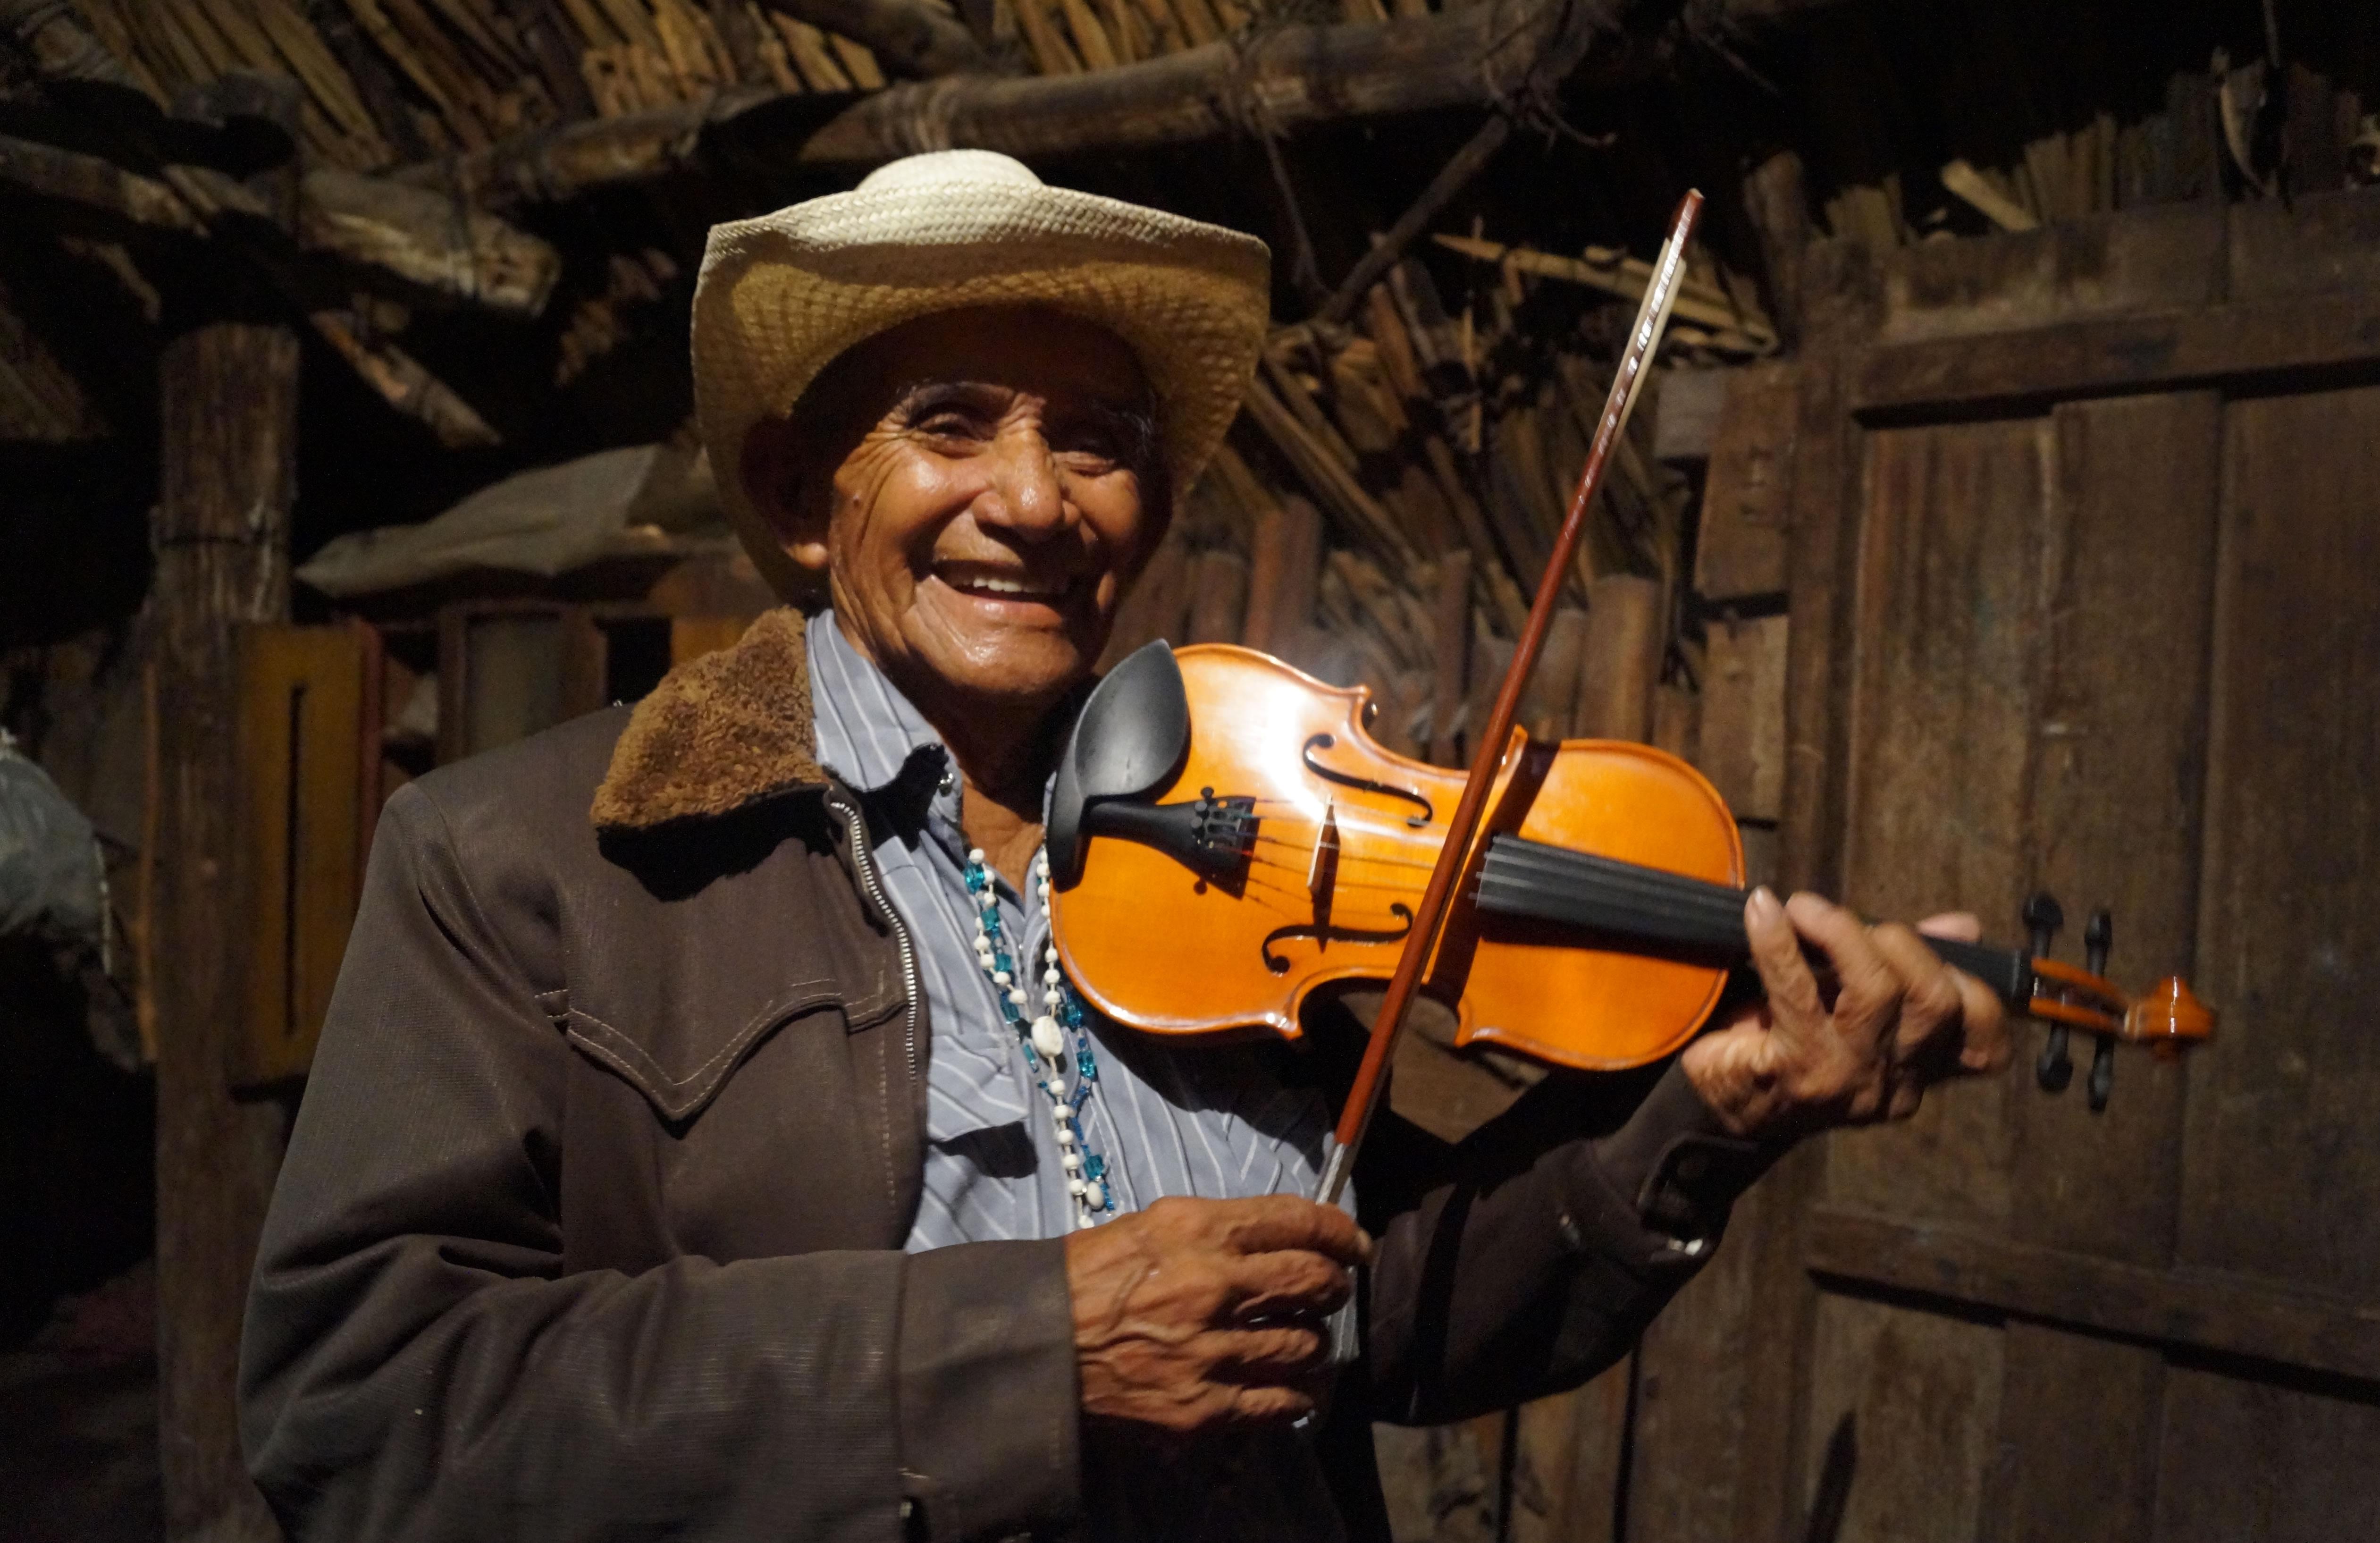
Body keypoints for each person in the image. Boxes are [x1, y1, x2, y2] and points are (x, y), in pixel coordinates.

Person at [238, 151, 2009, 1543]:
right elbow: (367, 1413)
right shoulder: (531, 859)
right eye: (950, 425)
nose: (1033, 499)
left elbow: (1379, 1314)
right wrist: (1025, 1357)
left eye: (1095, 442)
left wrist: (1715, 1103)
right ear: (798, 496)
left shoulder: (1231, 856)